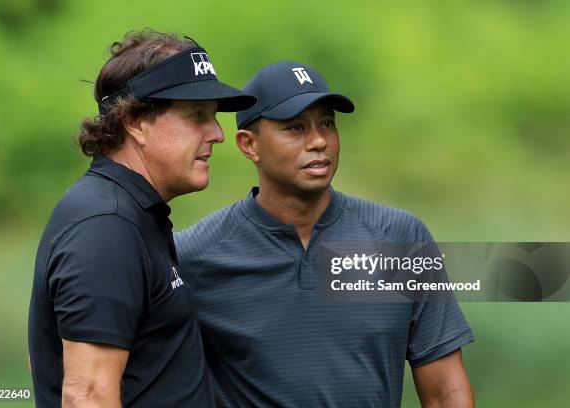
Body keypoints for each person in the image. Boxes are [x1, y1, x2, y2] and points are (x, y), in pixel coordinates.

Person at [175, 61, 475, 407]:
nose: (318, 141)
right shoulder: (192, 257)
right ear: (249, 144)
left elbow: (444, 392)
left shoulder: (401, 238)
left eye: (327, 124)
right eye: (296, 127)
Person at [28, 30, 255, 408]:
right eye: (197, 116)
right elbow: (88, 396)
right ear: (135, 121)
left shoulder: (129, 212)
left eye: (214, 117)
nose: (217, 133)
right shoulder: (106, 226)